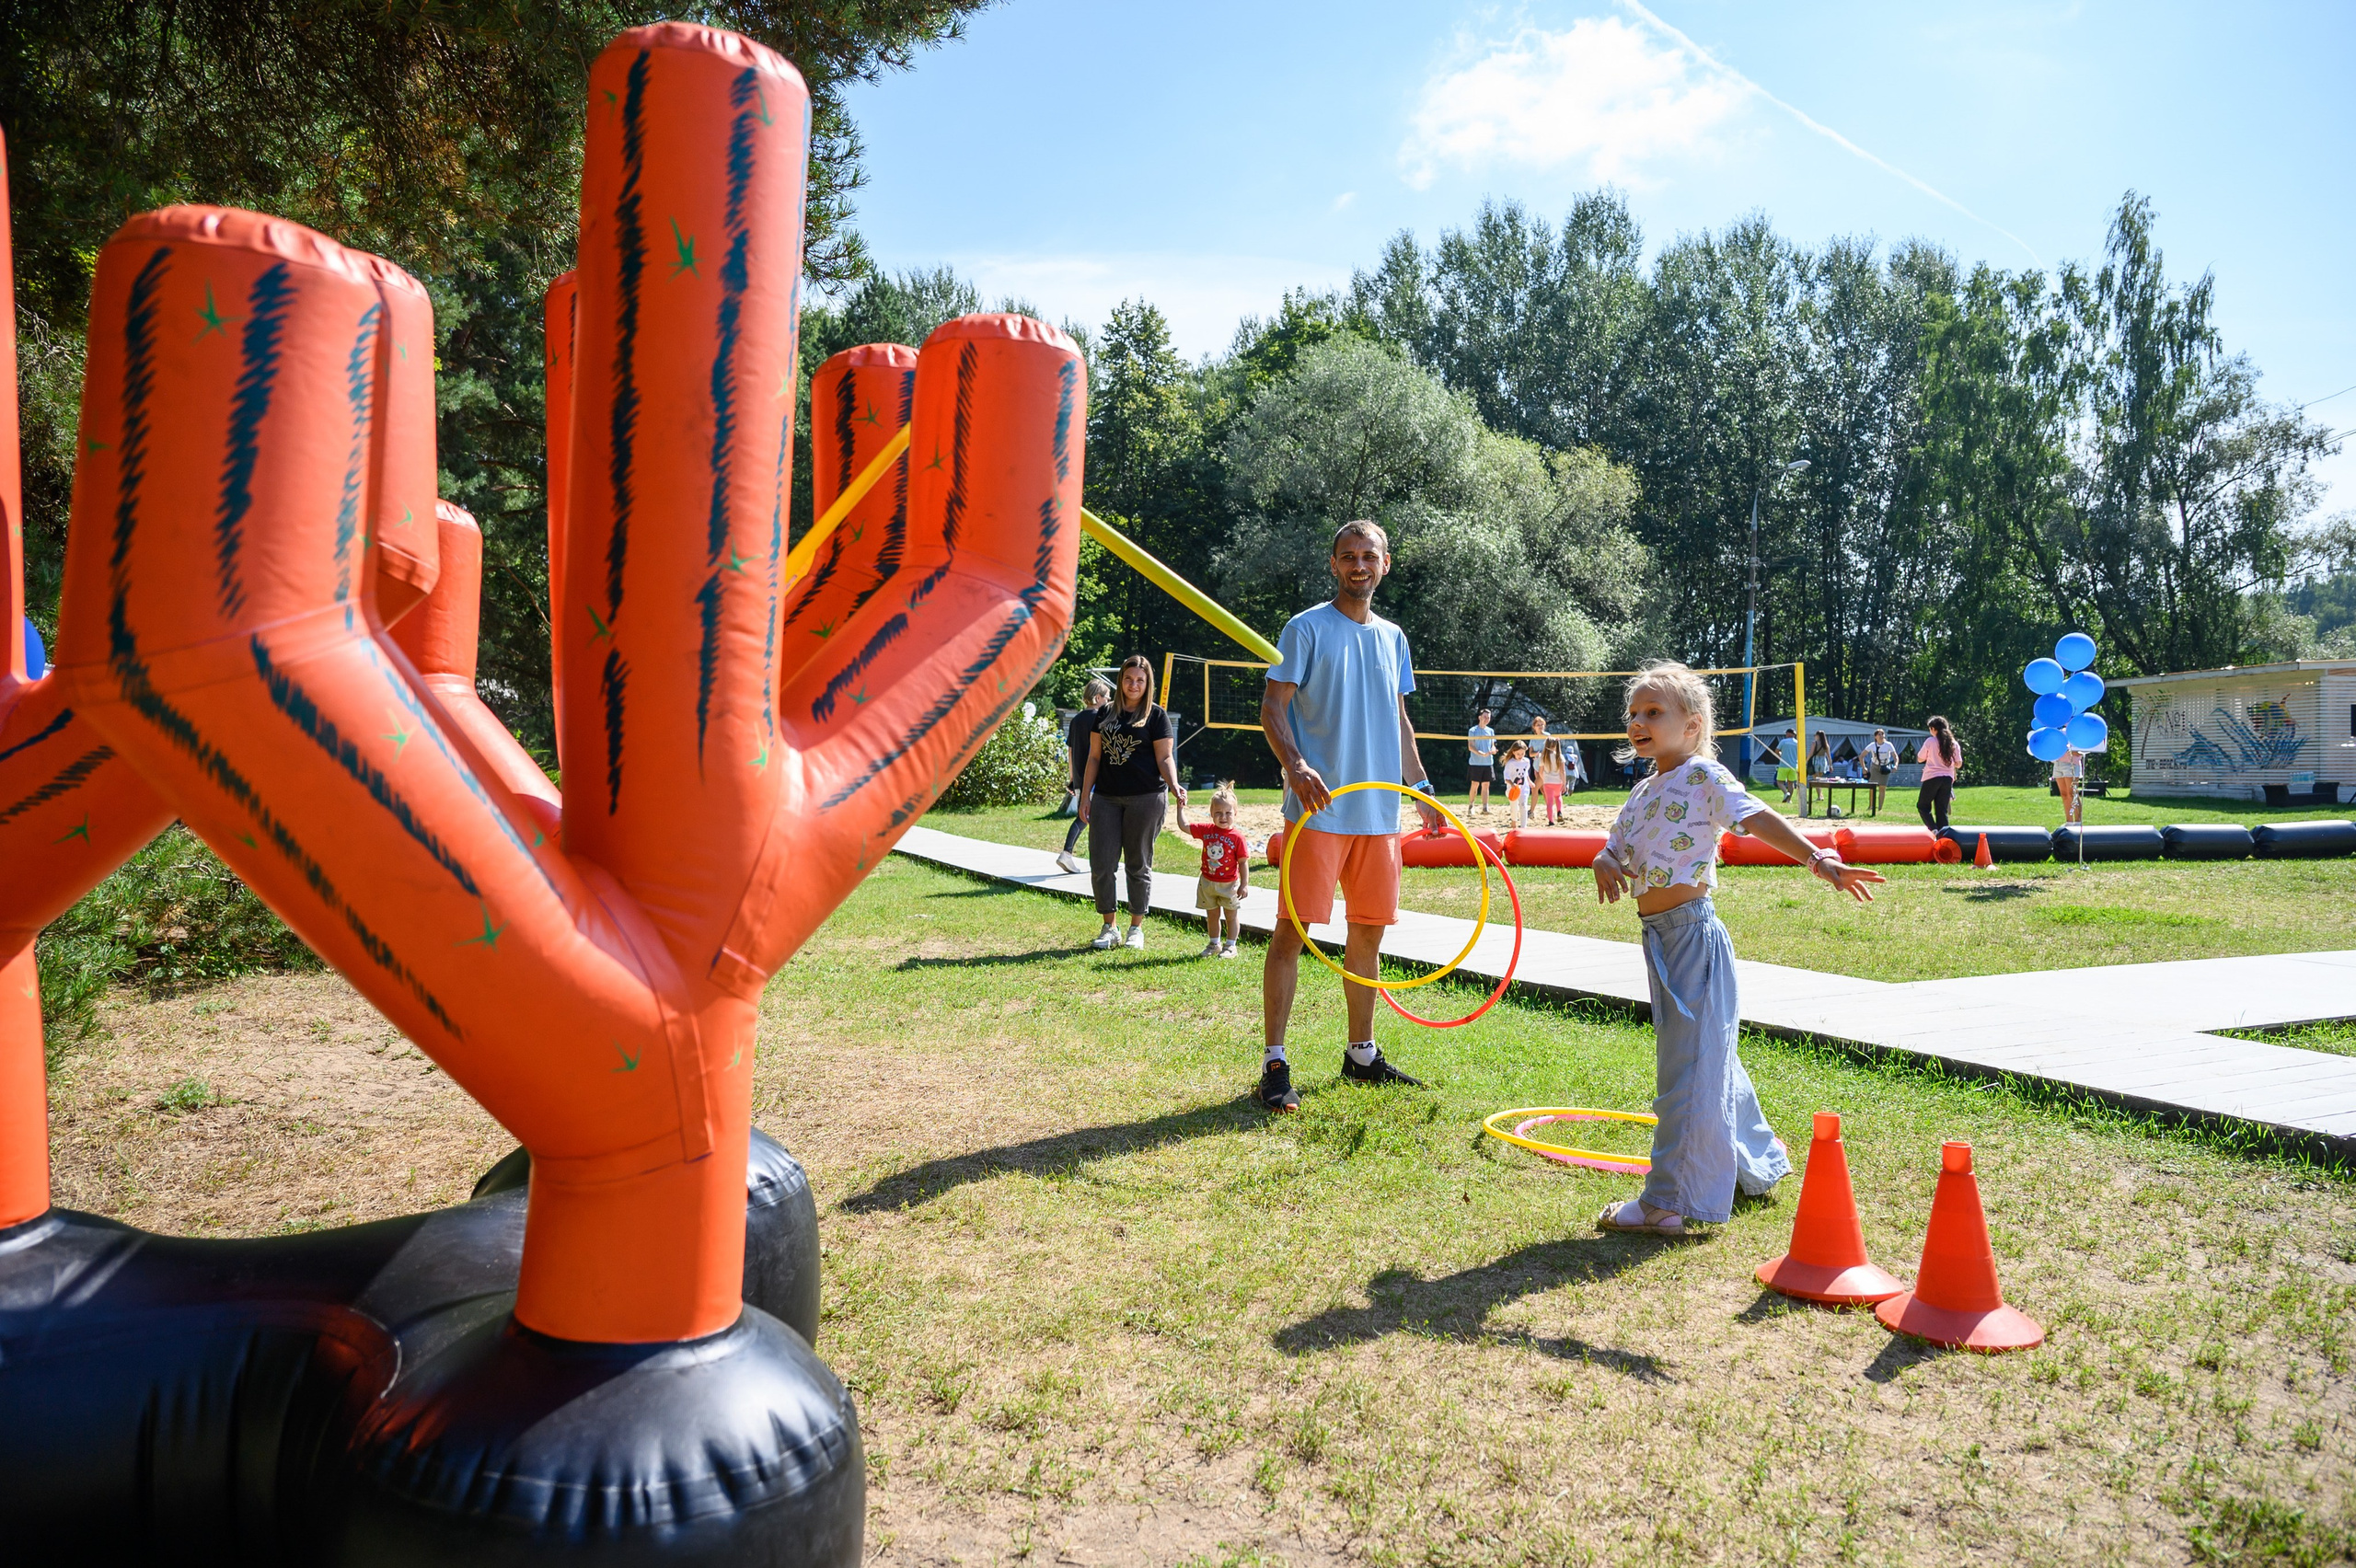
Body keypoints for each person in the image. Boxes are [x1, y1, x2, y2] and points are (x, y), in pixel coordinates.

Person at [1591, 662, 1885, 1236]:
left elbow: (1755, 817)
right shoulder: (1644, 790)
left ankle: (1665, 1204)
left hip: (1692, 937)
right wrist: (1605, 860)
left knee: (1686, 1069)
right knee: (1707, 1052)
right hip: (1658, 942)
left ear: (1693, 725)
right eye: (1634, 714)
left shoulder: (1705, 778)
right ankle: (1760, 1167)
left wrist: (1819, 860)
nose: (1638, 723)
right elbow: (1617, 847)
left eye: (1654, 713)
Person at [1256, 519, 1441, 1113]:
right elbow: (1272, 707)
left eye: (1369, 556)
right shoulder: (1304, 629)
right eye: (1347, 557)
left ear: (1386, 564)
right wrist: (1296, 767)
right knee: (1293, 933)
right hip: (1318, 812)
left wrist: (1421, 786)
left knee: (1368, 935)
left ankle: (1360, 1053)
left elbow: (1399, 718)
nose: (1358, 565)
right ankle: (1275, 1062)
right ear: (1333, 564)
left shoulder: (1393, 637)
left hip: (1379, 814)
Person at [1079, 656, 1187, 951]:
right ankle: (1109, 926)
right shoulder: (1103, 714)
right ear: (1121, 681)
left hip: (1146, 798)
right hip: (1106, 799)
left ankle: (1136, 928)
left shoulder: (1156, 716)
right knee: (1102, 864)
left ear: (1147, 682)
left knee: (1138, 865)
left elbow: (1165, 757)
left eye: (1140, 680)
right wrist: (1085, 795)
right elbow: (1094, 757)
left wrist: (1175, 784)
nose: (1134, 685)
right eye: (1129, 679)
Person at [1183, 781, 1250, 958]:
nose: (1223, 817)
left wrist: (1244, 884)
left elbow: (1243, 862)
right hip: (1208, 882)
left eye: (1228, 813)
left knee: (1231, 915)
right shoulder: (1206, 830)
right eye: (1218, 813)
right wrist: (1179, 808)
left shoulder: (1237, 837)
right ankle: (1214, 944)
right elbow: (1184, 826)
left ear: (1235, 813)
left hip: (1229, 885)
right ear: (1211, 813)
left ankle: (1231, 946)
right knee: (1212, 915)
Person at [1054, 678, 1114, 874]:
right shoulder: (1101, 718)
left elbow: (1071, 752)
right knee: (1091, 818)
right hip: (1098, 779)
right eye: (1107, 697)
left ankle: (1088, 858)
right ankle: (1069, 854)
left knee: (1087, 816)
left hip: (1080, 778)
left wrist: (1073, 779)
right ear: (1097, 698)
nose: (1109, 701)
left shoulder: (1077, 719)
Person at [1915, 715, 1960, 832]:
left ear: (1933, 729)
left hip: (1932, 777)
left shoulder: (1930, 741)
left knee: (1923, 805)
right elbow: (1959, 763)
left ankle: (1933, 829)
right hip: (1947, 779)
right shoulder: (1953, 743)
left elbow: (1920, 758)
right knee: (1941, 809)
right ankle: (1944, 835)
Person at [1466, 709, 1497, 815]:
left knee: (1486, 785)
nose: (1486, 719)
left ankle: (1485, 808)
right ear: (1479, 717)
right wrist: (1480, 753)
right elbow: (1471, 746)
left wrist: (1493, 750)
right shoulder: (1473, 730)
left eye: (1488, 717)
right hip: (1475, 762)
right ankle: (1471, 806)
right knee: (1474, 784)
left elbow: (1493, 745)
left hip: (1488, 762)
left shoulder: (1490, 731)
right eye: (1484, 717)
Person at [1861, 728, 1899, 815]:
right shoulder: (1872, 745)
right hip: (1874, 767)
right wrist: (1864, 768)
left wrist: (1896, 765)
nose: (1881, 736)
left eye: (1882, 734)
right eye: (1879, 734)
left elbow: (1895, 756)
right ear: (1875, 737)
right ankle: (1871, 806)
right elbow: (1861, 756)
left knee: (1882, 787)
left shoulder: (1888, 745)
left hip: (1885, 767)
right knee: (1872, 787)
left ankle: (1880, 808)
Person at [1499, 741, 1533, 828]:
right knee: (1514, 807)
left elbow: (1525, 774)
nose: (1520, 756)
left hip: (1524, 788)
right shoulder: (1510, 763)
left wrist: (1529, 781)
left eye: (1522, 753)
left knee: (1523, 806)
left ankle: (1523, 827)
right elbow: (1506, 777)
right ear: (1513, 752)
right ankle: (1514, 822)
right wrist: (1512, 784)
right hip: (1512, 789)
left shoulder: (1526, 761)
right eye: (1518, 754)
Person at [1537, 738, 1569, 825]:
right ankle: (1559, 811)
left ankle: (1551, 821)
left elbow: (1540, 771)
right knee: (1558, 797)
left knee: (1549, 802)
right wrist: (1564, 783)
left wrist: (1544, 779)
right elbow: (1562, 772)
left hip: (1548, 782)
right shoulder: (1560, 756)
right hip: (1558, 781)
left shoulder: (1543, 757)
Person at [1801, 731, 1832, 817]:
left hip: (1815, 761)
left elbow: (1811, 753)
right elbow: (1829, 756)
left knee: (1816, 779)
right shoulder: (1826, 744)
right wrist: (1830, 765)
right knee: (1819, 778)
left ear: (1818, 736)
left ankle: (1820, 796)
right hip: (1823, 761)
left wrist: (1806, 761)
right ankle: (1820, 794)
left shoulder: (1814, 743)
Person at [2053, 744, 2085, 826]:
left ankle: (2078, 821)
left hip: (2071, 763)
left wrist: (2074, 751)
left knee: (2072, 793)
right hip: (2057, 763)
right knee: (2064, 794)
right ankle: (2069, 822)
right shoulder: (2060, 733)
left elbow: (2081, 751)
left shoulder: (2075, 733)